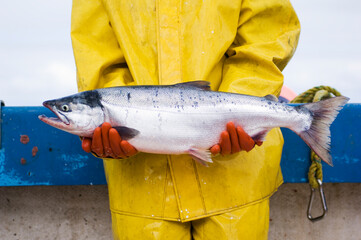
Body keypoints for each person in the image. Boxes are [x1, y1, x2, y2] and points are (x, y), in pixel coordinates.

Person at [71, 0, 300, 239]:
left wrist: (238, 113)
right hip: (141, 191)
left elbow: (267, 35)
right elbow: (97, 55)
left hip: (237, 177)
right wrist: (110, 130)